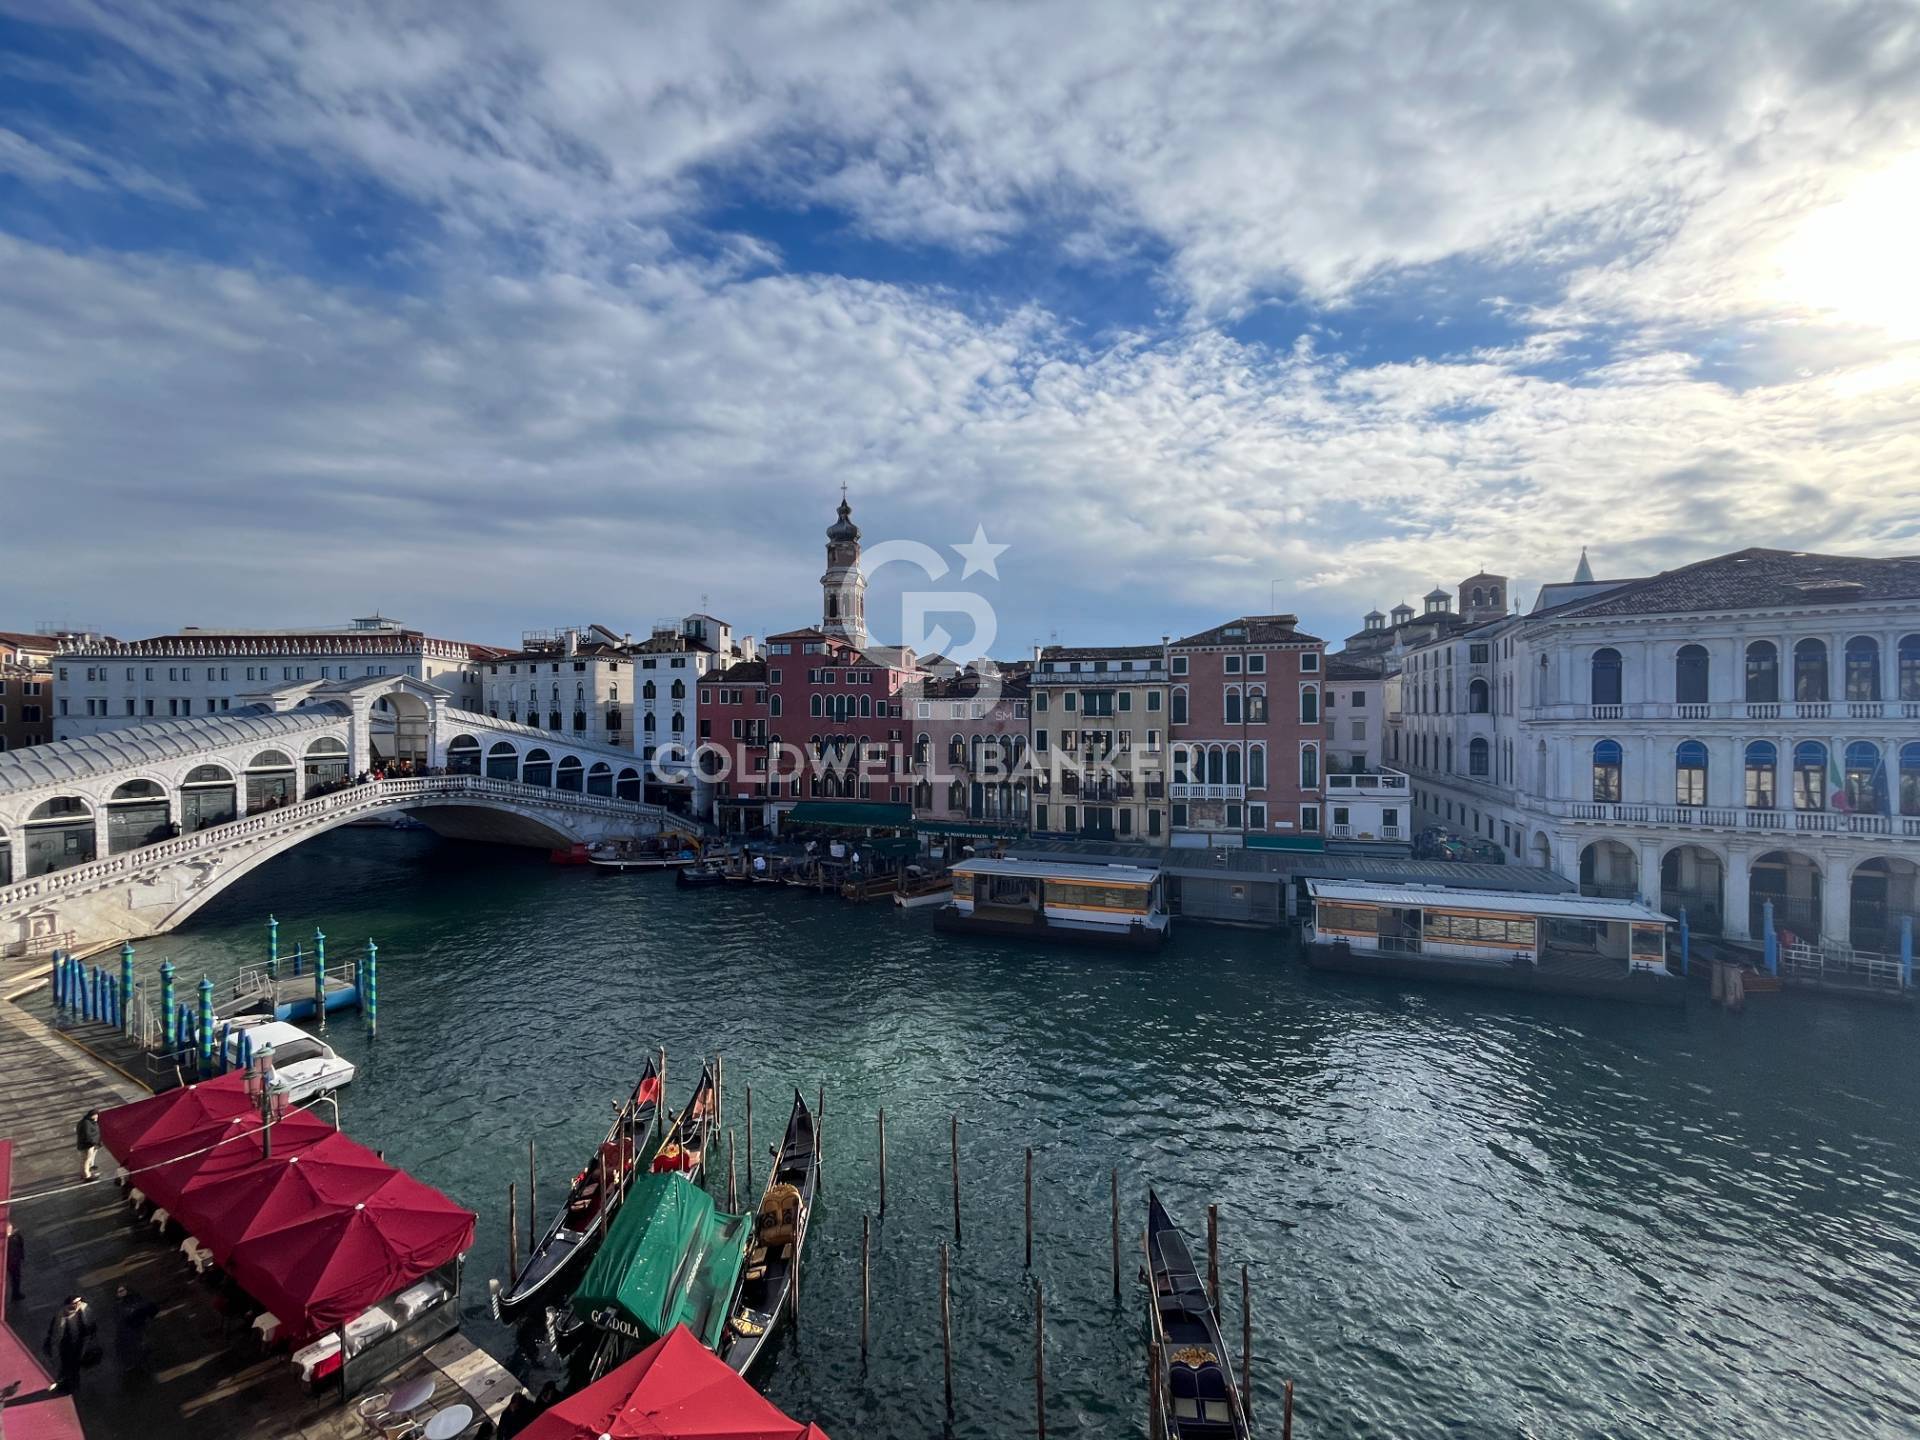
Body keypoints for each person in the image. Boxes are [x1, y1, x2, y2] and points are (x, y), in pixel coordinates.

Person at [43, 1295, 95, 1394]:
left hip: (80, 1343)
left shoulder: (84, 1309)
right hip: (67, 1346)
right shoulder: (61, 1315)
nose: (77, 1304)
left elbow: (90, 1324)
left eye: (79, 1302)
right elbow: (57, 1334)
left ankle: (73, 1384)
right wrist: (55, 1349)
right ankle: (67, 1384)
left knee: (75, 1366)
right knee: (67, 1366)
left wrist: (90, 1337)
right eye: (74, 1303)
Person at [112, 1286, 156, 1375]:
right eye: (119, 1291)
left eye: (122, 1291)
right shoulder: (119, 1305)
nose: (120, 1293)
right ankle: (135, 1363)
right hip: (129, 1329)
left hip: (135, 1327)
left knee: (139, 1345)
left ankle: (141, 1363)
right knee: (133, 1346)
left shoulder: (133, 1301)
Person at [75, 1110, 100, 1182]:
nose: (97, 1117)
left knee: (84, 1160)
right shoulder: (87, 1123)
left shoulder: (86, 1121)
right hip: (88, 1145)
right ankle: (87, 1176)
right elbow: (87, 1135)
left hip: (86, 1144)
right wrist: (93, 1142)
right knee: (87, 1159)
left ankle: (83, 1173)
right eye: (96, 1115)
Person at [5, 1221, 23, 1305]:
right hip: (11, 1261)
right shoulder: (10, 1239)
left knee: (16, 1277)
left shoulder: (15, 1235)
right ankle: (15, 1294)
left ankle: (16, 1293)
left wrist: (21, 1255)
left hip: (14, 1260)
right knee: (14, 1277)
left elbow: (20, 1245)